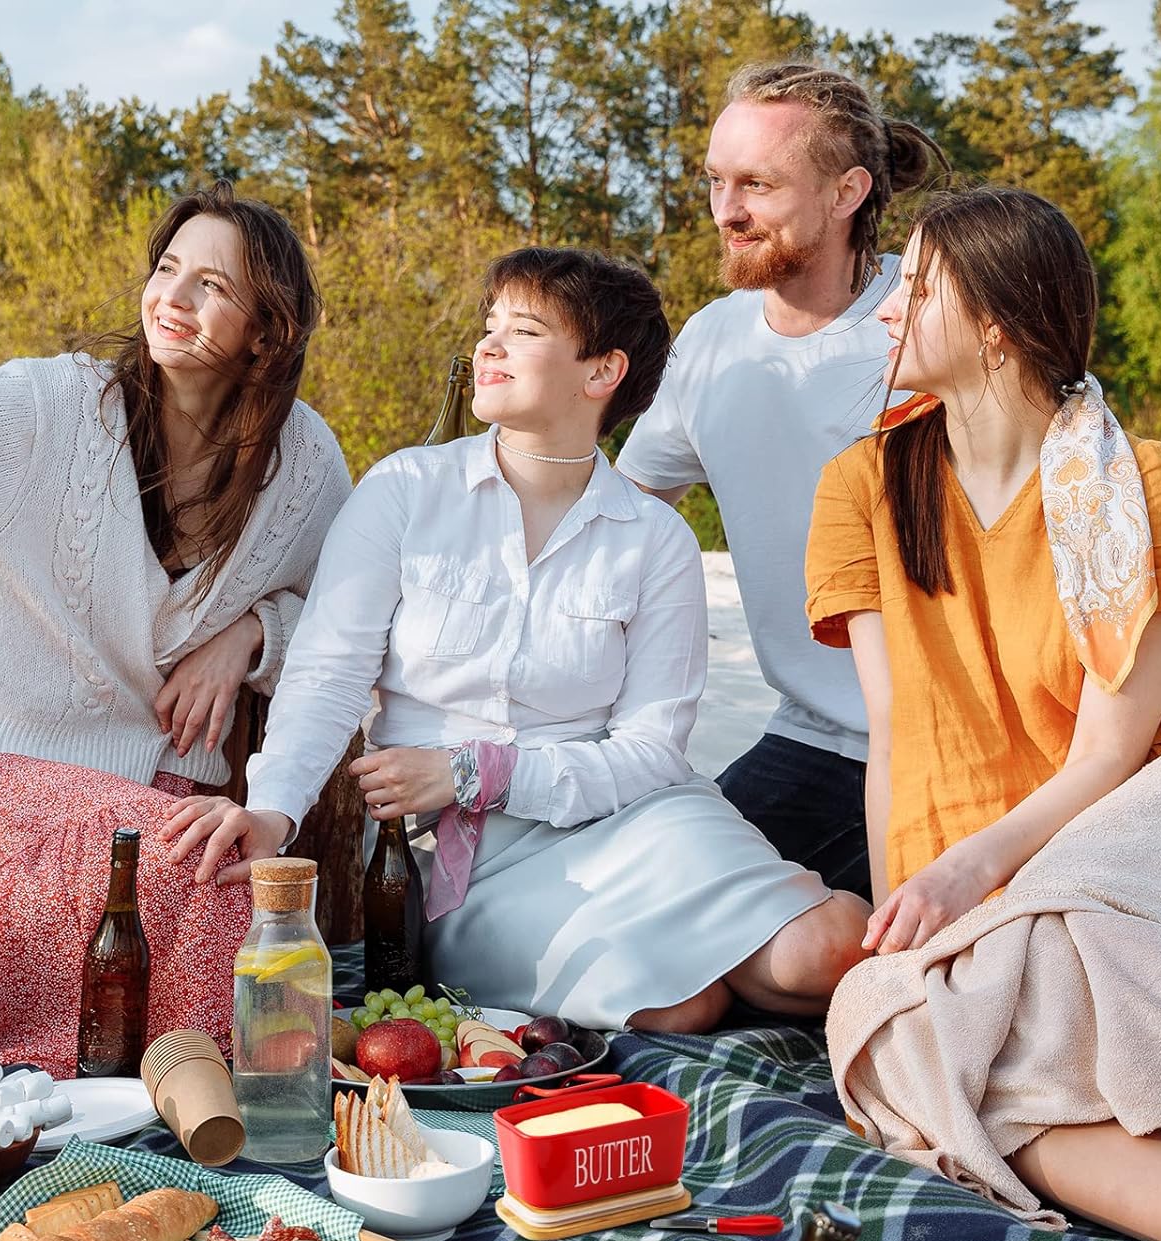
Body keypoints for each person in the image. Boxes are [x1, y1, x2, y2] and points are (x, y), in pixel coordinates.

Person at [806, 184, 1161, 1241]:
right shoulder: (863, 488)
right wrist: (908, 927)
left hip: (1158, 825)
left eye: (917, 286)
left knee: (1071, 1014)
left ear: (994, 321)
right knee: (917, 1036)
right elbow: (895, 734)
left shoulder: (1138, 484)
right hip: (987, 867)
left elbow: (1111, 754)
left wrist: (974, 882)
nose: (888, 312)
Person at [163, 247, 869, 1034]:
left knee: (827, 950)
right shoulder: (405, 490)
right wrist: (273, 813)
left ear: (600, 372)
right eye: (489, 326)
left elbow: (650, 751)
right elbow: (328, 676)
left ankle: (889, 938)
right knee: (679, 1005)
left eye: (523, 330)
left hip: (635, 820)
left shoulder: (655, 539)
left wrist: (475, 772)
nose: (488, 346)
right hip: (461, 863)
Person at [617, 59, 1161, 900]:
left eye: (756, 183)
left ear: (846, 192)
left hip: (995, 734)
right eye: (717, 180)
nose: (727, 208)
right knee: (678, 920)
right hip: (816, 735)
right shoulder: (711, 346)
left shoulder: (936, 319)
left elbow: (1058, 435)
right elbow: (625, 512)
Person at [0, 182, 351, 1075]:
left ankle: (114, 1093)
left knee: (237, 916)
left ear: (267, 330)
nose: (170, 299)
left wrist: (254, 634)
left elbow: (352, 626)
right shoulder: (50, 411)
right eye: (166, 269)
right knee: (208, 895)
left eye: (210, 286)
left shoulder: (304, 465)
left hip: (165, 822)